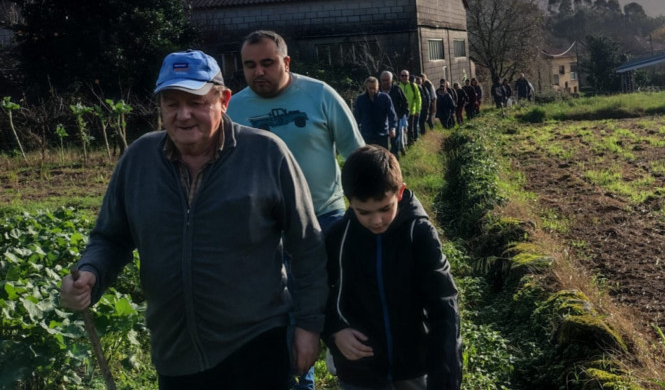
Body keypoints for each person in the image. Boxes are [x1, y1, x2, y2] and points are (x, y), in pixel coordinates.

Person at [59, 50, 327, 390]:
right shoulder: (139, 159)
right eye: (171, 104)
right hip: (175, 350)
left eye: (196, 102)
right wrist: (91, 274)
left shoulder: (266, 154)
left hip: (256, 344)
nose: (183, 115)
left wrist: (308, 326)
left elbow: (307, 245)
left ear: (224, 99)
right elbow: (110, 237)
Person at [227, 30, 364, 390]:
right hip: (266, 231)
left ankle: (351, 364)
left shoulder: (319, 95)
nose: (259, 72)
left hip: (325, 220)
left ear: (286, 62)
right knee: (285, 318)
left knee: (338, 303)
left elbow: (357, 156)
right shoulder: (233, 109)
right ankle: (300, 380)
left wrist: (372, 212)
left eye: (268, 63)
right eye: (250, 65)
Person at [322, 145, 462, 390]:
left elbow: (444, 304)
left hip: (415, 367)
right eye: (363, 212)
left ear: (400, 192)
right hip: (359, 372)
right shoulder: (337, 238)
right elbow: (318, 292)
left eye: (385, 208)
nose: (376, 220)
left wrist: (446, 376)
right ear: (348, 200)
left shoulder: (418, 234)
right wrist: (334, 331)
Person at [353, 76, 397, 150]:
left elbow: (391, 114)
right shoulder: (360, 100)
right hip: (367, 134)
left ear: (378, 86)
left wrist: (392, 128)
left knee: (383, 156)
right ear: (366, 87)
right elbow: (357, 117)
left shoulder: (385, 98)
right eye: (370, 88)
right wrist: (355, 131)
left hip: (382, 134)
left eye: (374, 88)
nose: (372, 90)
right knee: (368, 157)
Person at [379, 71, 408, 158]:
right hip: (381, 121)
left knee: (394, 142)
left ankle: (395, 160)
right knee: (383, 143)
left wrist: (400, 116)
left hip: (395, 121)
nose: (385, 82)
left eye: (387, 80)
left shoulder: (397, 89)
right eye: (383, 80)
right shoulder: (378, 91)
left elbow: (405, 104)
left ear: (391, 80)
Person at [399, 70, 422, 146]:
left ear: (408, 77)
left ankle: (411, 144)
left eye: (406, 76)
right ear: (400, 77)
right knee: (401, 129)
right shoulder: (398, 86)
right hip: (401, 113)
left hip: (412, 111)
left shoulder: (413, 86)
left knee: (410, 129)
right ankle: (402, 145)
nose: (404, 77)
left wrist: (418, 110)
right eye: (403, 76)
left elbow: (418, 98)